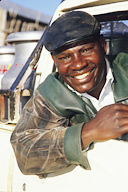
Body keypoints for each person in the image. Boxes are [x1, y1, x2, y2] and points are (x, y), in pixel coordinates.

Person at [10, 11, 128, 178]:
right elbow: (25, 152)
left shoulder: (125, 70)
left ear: (103, 45)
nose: (78, 64)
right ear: (54, 60)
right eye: (65, 57)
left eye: (86, 49)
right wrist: (88, 132)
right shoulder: (51, 93)